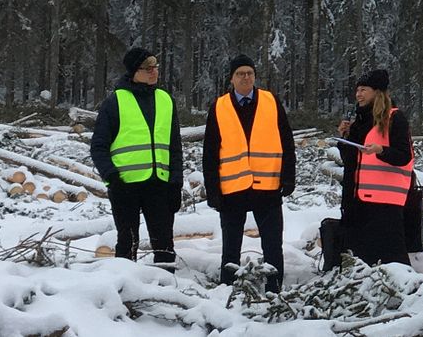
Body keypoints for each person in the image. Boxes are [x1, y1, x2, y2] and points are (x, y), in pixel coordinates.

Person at [202, 54, 296, 293]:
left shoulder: (271, 101)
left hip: (268, 187)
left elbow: (287, 141)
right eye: (240, 74)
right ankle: (228, 291)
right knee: (231, 248)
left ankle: (274, 291)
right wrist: (212, 190)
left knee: (273, 245)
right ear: (231, 79)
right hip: (232, 190)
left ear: (255, 76)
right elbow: (210, 152)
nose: (246, 77)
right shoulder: (220, 106)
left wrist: (288, 176)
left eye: (249, 73)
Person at [91, 47, 183, 271]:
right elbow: (98, 146)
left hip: (159, 185)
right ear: (134, 71)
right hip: (125, 186)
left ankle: (165, 292)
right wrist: (112, 177)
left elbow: (174, 148)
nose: (154, 72)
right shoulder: (115, 101)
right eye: (147, 68)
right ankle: (126, 291)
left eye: (156, 67)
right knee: (127, 243)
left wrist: (176, 181)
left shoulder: (166, 100)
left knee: (164, 245)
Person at [337, 69, 414, 266]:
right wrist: (345, 138)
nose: (358, 94)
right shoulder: (359, 122)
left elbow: (404, 156)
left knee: (392, 258)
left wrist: (381, 150)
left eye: (363, 89)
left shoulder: (395, 119)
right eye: (357, 90)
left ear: (377, 92)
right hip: (356, 201)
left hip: (385, 204)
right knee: (361, 258)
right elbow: (351, 161)